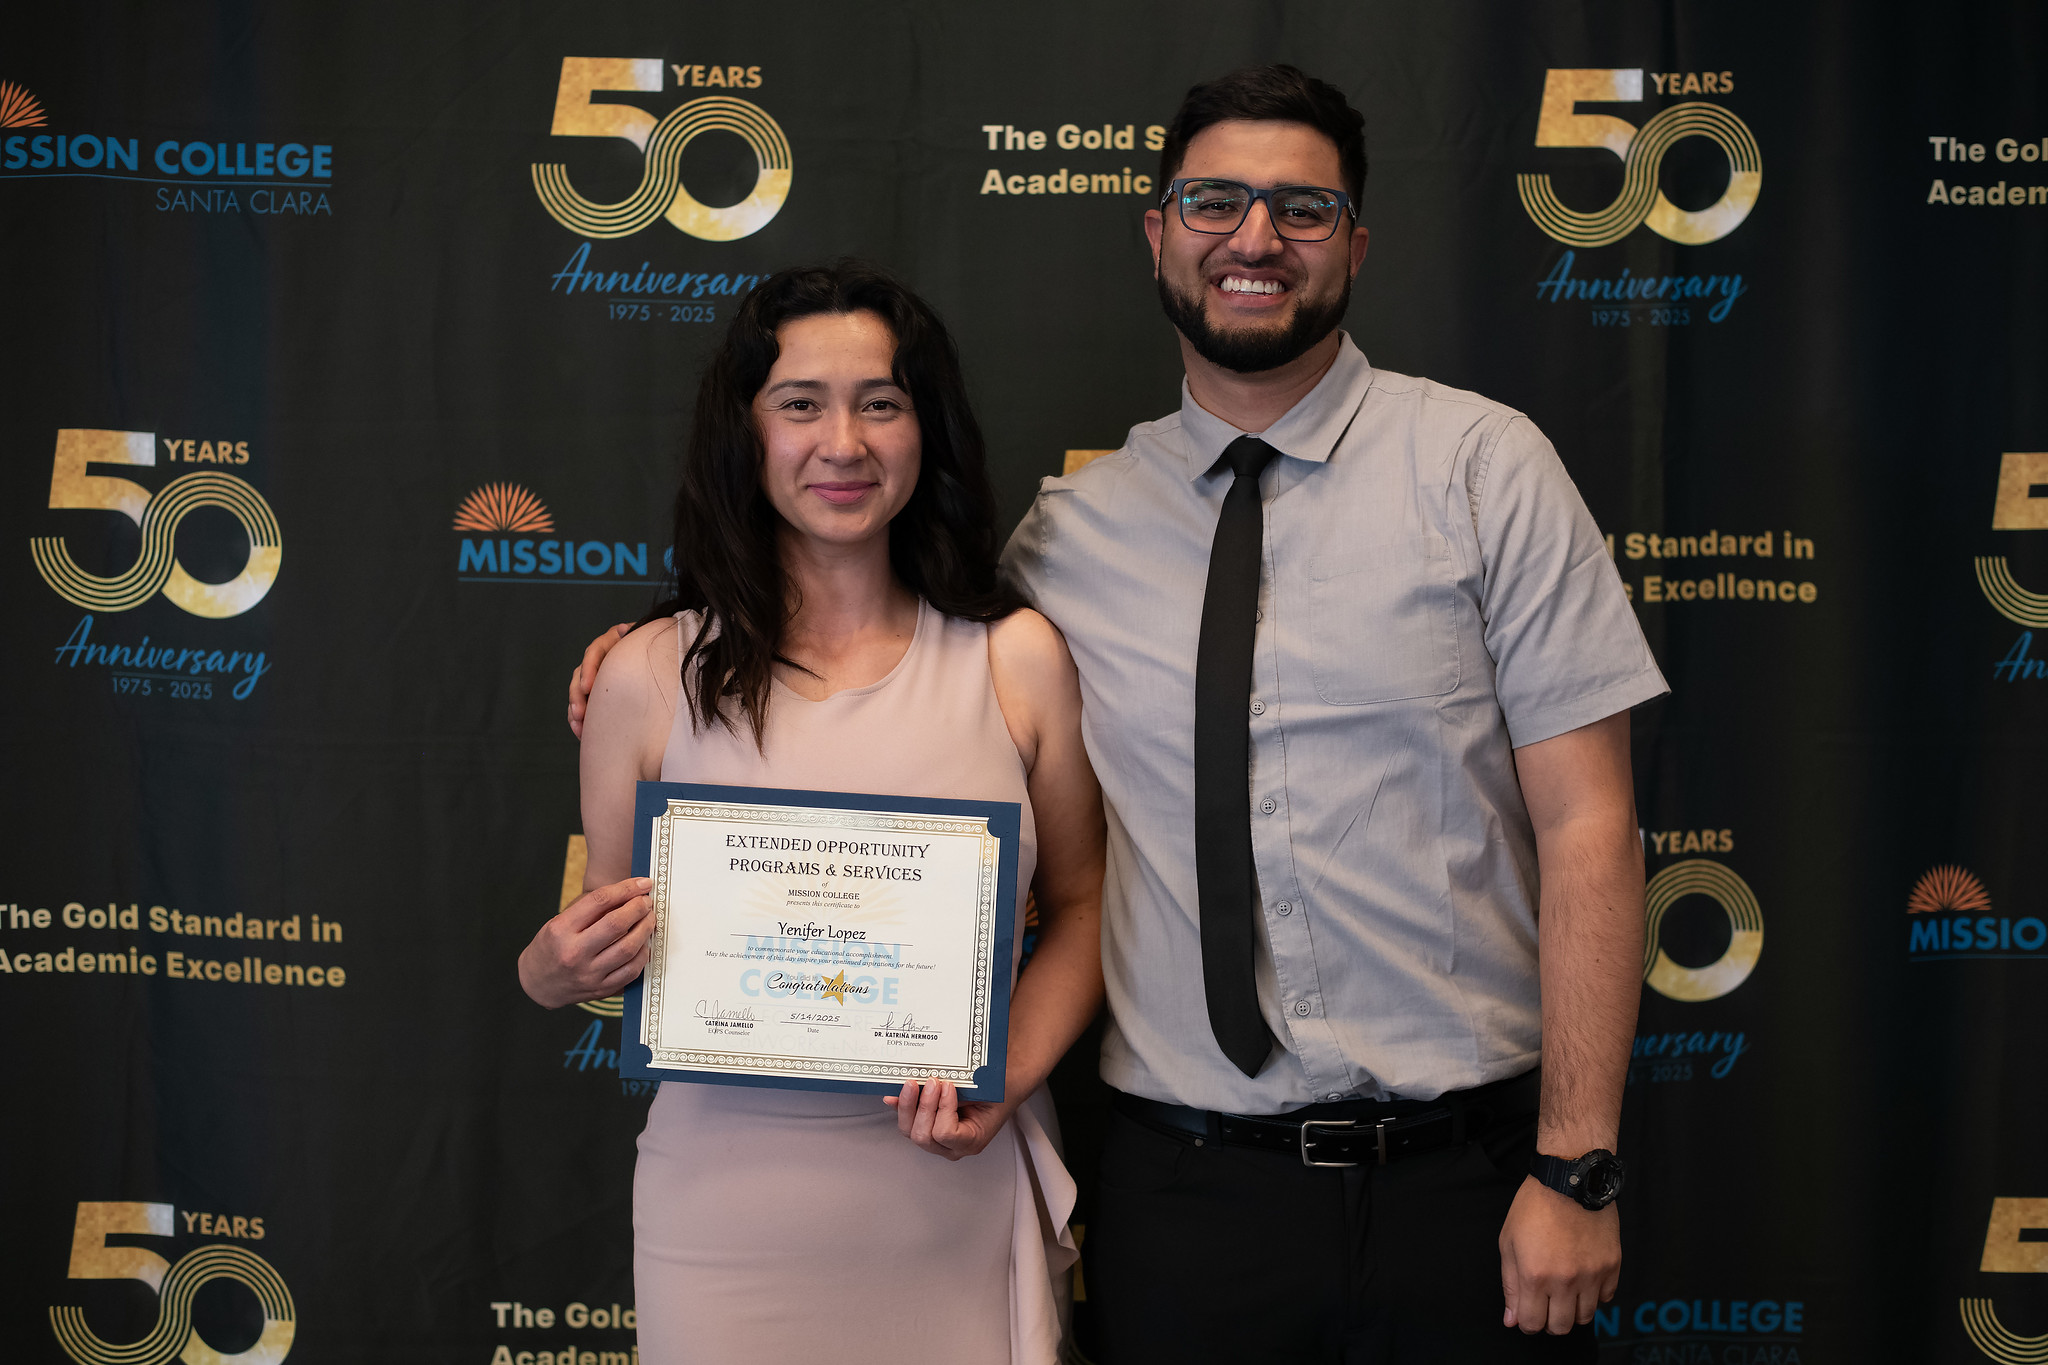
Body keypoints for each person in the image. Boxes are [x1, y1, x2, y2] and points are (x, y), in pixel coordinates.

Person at [570, 66, 1667, 1364]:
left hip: (1470, 1181)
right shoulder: (1064, 543)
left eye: (1301, 211)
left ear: (1356, 244)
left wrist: (1578, 1164)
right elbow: (865, 632)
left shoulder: (1489, 471)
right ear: (1157, 232)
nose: (1254, 239)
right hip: (1183, 1196)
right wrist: (649, 646)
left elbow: (1593, 826)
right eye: (1215, 200)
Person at [523, 261, 1106, 1364]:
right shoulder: (648, 674)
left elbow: (1081, 908)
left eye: (879, 403)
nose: (842, 443)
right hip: (724, 1219)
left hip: (953, 1195)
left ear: (923, 429)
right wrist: (550, 971)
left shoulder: (1015, 660)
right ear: (743, 432)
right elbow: (610, 942)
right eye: (799, 403)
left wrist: (1004, 1082)